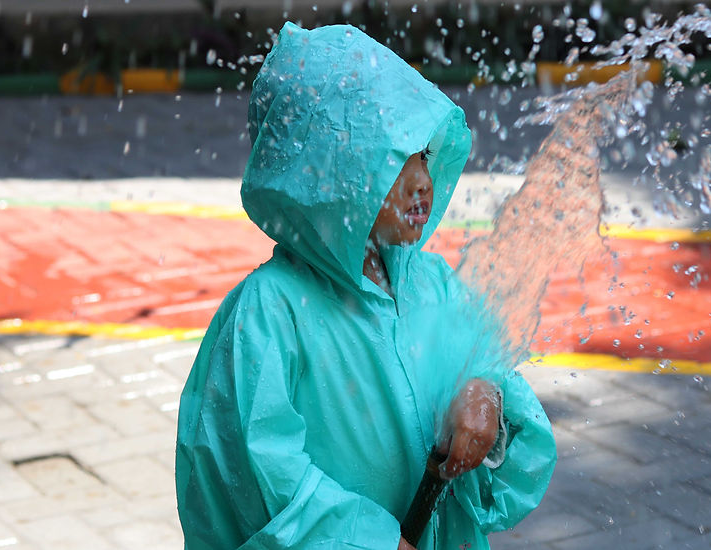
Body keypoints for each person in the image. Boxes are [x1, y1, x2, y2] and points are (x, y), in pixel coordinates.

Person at [175, 22, 557, 550]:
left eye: (424, 155)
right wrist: (370, 541)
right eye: (395, 160)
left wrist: (486, 398)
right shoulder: (269, 313)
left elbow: (496, 385)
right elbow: (253, 477)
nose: (422, 180)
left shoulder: (434, 285)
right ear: (329, 174)